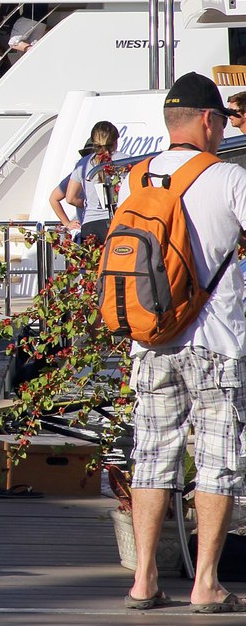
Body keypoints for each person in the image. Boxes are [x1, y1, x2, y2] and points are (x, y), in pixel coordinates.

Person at [122, 73, 246, 614]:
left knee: (152, 455)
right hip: (217, 341)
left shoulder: (138, 177)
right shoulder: (229, 178)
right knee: (218, 460)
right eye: (221, 120)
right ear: (206, 120)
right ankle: (206, 584)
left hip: (151, 339)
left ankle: (144, 579)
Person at [63, 121, 120, 245]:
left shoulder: (83, 164)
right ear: (115, 142)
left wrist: (89, 203)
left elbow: (70, 198)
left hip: (90, 225)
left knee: (90, 263)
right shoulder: (127, 160)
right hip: (117, 223)